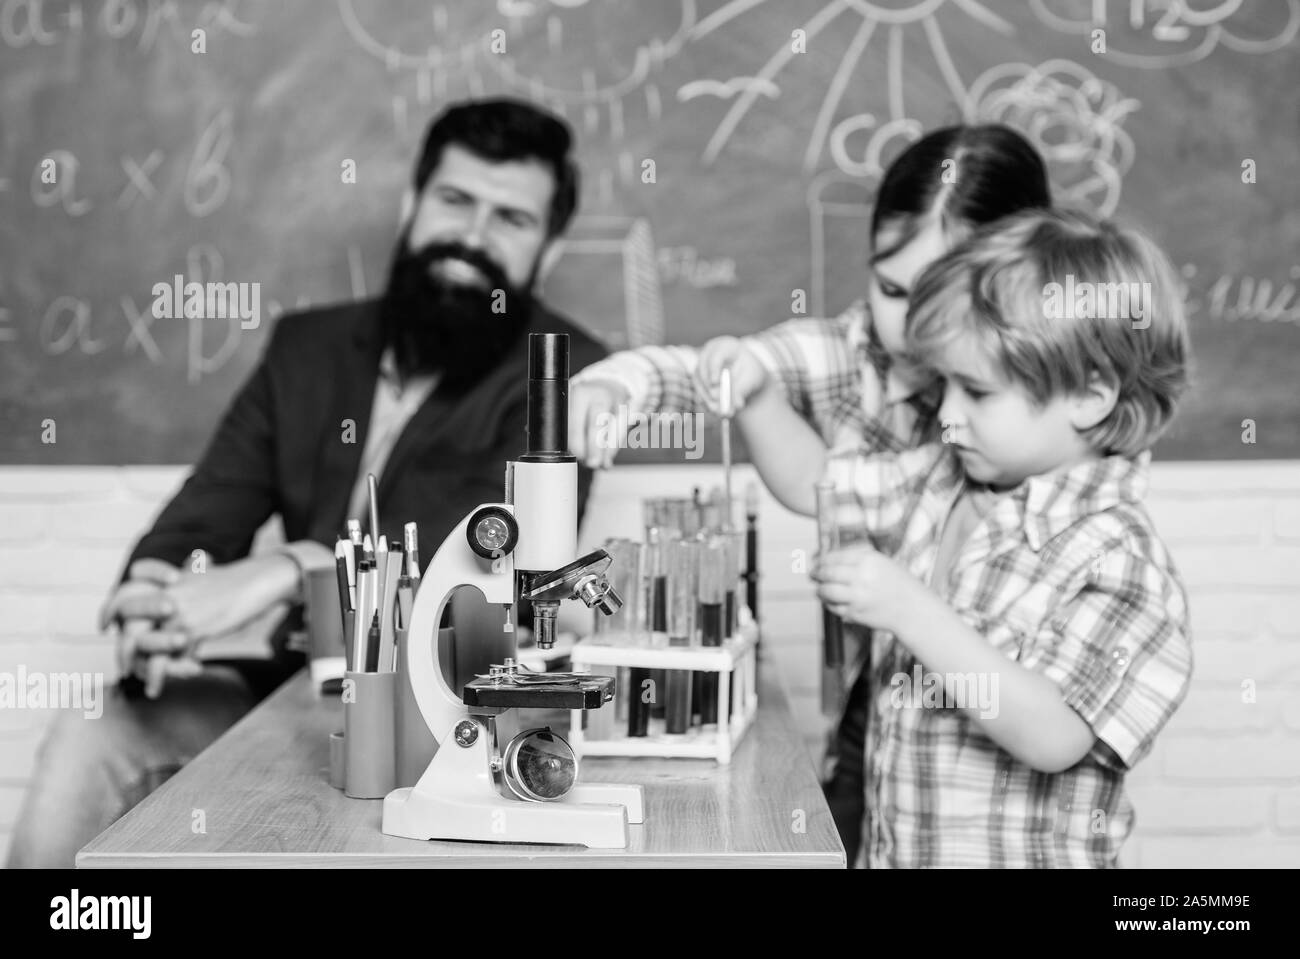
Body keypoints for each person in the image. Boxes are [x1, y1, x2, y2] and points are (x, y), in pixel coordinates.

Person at [6, 98, 607, 869]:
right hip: (283, 696)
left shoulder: (562, 378)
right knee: (97, 731)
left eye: (510, 219)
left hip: (436, 716)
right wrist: (156, 595)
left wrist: (288, 565)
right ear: (411, 204)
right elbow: (198, 522)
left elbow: (469, 580)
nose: (472, 236)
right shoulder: (307, 349)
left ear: (548, 250)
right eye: (455, 200)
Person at [568, 124, 1052, 862]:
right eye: (892, 288)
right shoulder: (860, 354)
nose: (912, 324)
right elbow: (734, 381)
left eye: (943, 295)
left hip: (1015, 719)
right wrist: (616, 384)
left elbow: (824, 485)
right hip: (880, 709)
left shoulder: (1054, 406)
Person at [811, 208, 1193, 866]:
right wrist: (751, 389)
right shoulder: (946, 485)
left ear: (1089, 394)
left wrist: (908, 607)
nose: (948, 417)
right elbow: (819, 482)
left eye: (977, 392)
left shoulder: (1116, 556)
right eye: (944, 386)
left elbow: (1053, 732)